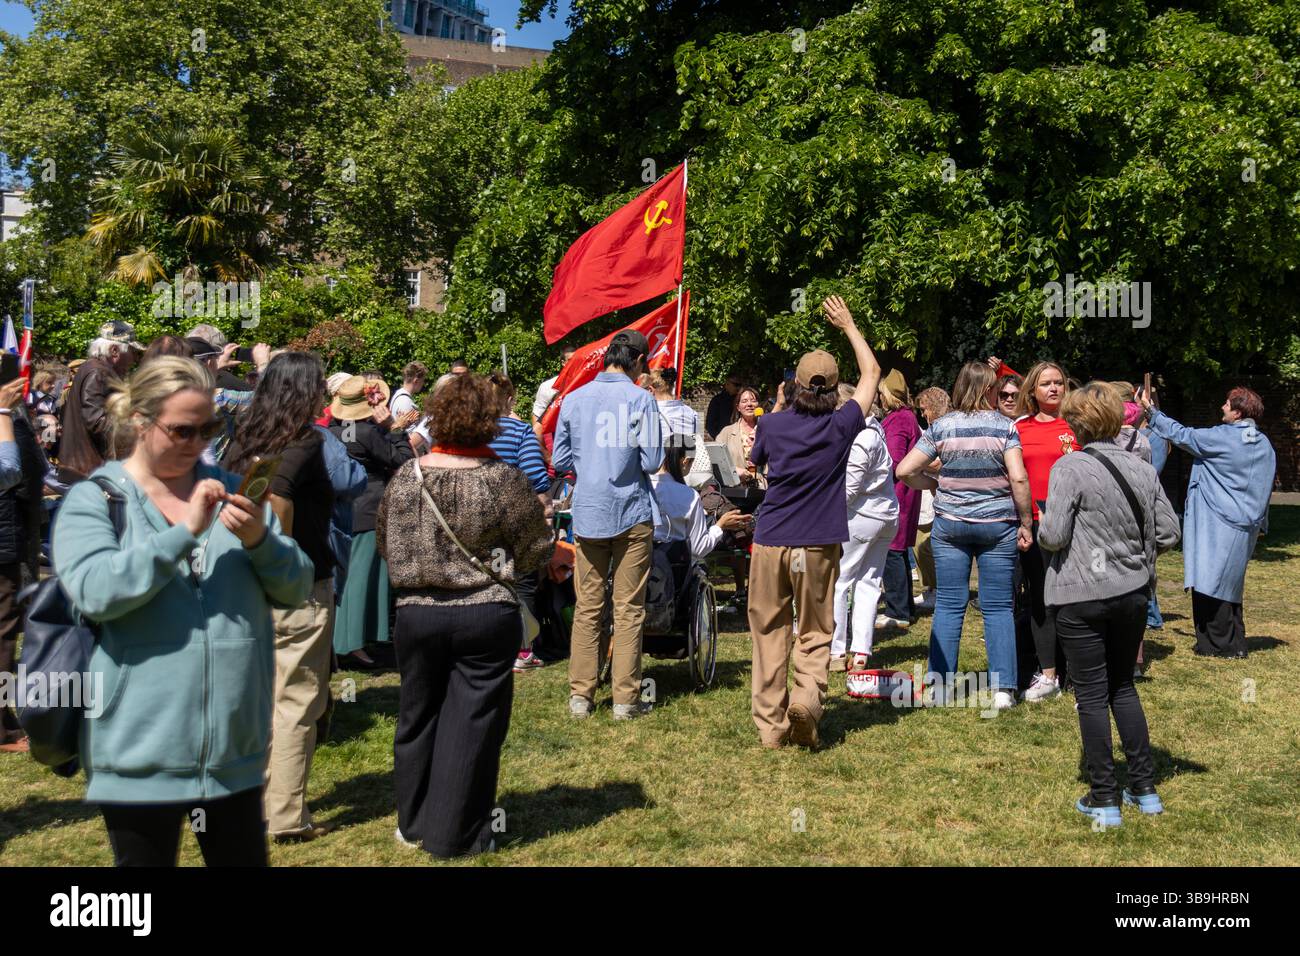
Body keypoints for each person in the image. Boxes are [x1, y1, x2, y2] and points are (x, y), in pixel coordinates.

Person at [52, 356, 313, 865]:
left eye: (208, 428)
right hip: (138, 751)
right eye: (182, 430)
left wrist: (262, 540)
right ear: (139, 423)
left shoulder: (235, 490)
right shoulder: (96, 499)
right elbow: (96, 591)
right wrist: (183, 532)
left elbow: (298, 586)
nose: (197, 442)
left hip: (234, 753)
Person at [377, 374, 552, 857]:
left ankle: (413, 822)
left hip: (416, 613)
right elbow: (534, 548)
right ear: (487, 422)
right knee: (472, 721)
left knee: (417, 714)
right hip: (483, 613)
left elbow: (385, 543)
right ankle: (455, 832)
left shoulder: (406, 476)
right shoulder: (502, 479)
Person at [1038, 382, 1180, 827]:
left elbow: (1054, 536)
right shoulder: (1142, 467)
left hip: (1081, 595)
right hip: (1132, 594)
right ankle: (1144, 787)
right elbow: (1169, 532)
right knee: (1123, 686)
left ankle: (1104, 796)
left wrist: (1043, 524)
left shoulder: (1070, 468)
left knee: (1093, 695)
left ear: (1074, 424)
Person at [746, 295, 881, 749]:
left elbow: (758, 466)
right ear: (833, 387)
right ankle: (805, 698)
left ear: (794, 384)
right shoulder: (842, 425)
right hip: (818, 545)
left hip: (770, 542)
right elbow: (872, 374)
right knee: (815, 630)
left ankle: (771, 727)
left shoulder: (771, 425)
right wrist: (848, 325)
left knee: (769, 630)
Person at [224, 353, 338, 842]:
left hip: (245, 587)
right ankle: (286, 818)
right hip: (294, 589)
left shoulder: (241, 439)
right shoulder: (303, 442)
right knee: (295, 702)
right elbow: (281, 500)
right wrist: (280, 559)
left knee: (256, 703)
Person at [896, 361, 1033, 709]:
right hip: (998, 527)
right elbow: (1018, 478)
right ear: (989, 389)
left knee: (948, 605)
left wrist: (935, 484)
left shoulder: (942, 427)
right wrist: (1026, 521)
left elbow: (905, 469)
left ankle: (940, 687)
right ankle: (1004, 689)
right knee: (999, 606)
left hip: (951, 525)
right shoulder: (1006, 427)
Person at [552, 329, 663, 720]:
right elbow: (652, 462)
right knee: (629, 609)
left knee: (588, 607)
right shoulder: (642, 400)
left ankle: (580, 697)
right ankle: (624, 701)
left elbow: (561, 459)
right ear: (636, 361)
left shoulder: (575, 398)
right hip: (631, 512)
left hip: (589, 513)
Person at [1140, 385, 1276, 658]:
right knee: (1230, 582)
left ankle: (1217, 644)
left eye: (1227, 404)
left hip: (1218, 521)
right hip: (1246, 523)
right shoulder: (1262, 443)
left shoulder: (1224, 437)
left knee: (1210, 580)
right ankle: (1233, 641)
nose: (1222, 408)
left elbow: (1181, 435)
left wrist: (1151, 411)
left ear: (1237, 413)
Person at [328, 376, 417, 659]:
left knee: (347, 576)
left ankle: (346, 642)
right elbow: (404, 461)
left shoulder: (332, 430)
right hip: (367, 510)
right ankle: (350, 645)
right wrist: (394, 428)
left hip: (341, 509)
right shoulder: (367, 434)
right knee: (361, 578)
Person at [1010, 361, 1077, 702]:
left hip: (1077, 524)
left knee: (1077, 599)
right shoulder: (1020, 427)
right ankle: (1048, 673)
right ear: (1033, 391)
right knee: (1041, 598)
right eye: (1046, 384)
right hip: (1035, 522)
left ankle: (1079, 672)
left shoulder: (1079, 424)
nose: (1053, 388)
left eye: (1059, 383)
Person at [486, 371, 553, 672]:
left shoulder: (469, 432)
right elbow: (536, 479)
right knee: (521, 585)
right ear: (510, 400)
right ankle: (523, 650)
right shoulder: (520, 432)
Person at [830, 383, 898, 674]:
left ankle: (835, 649)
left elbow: (849, 489)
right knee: (869, 583)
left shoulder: (862, 438)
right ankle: (861, 652)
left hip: (863, 517)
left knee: (840, 581)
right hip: (884, 515)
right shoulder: (875, 432)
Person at [0, 378, 46, 753]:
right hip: (3, 540)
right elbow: (12, 472)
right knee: (2, 633)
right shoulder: (6, 419)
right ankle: (1, 729)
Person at [58, 321, 145, 480]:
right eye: (133, 352)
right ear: (114, 350)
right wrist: (134, 426)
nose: (134, 359)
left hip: (85, 468)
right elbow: (96, 421)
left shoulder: (94, 369)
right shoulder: (99, 372)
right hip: (89, 470)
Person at [878, 370, 921, 631]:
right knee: (900, 551)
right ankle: (907, 608)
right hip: (905, 491)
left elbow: (893, 459)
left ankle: (897, 611)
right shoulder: (907, 417)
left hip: (896, 492)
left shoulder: (897, 420)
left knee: (892, 550)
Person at [651, 444, 749, 558]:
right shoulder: (689, 496)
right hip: (672, 566)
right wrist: (720, 526)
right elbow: (698, 548)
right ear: (685, 461)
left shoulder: (645, 487)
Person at [912, 386, 950, 610]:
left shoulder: (945, 428)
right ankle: (931, 589)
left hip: (944, 495)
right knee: (921, 546)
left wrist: (917, 460)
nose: (923, 414)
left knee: (927, 547)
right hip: (930, 494)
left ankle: (938, 590)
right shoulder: (931, 429)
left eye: (925, 409)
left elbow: (941, 461)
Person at [715, 385, 767, 491]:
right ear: (738, 407)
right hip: (734, 490)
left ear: (759, 406)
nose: (749, 404)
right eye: (744, 401)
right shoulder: (727, 432)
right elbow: (716, 462)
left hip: (762, 489)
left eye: (753, 401)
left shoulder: (767, 431)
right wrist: (734, 470)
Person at [531, 345, 578, 442]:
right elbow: (537, 417)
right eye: (570, 360)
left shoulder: (587, 384)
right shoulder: (548, 387)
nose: (574, 363)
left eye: (577, 360)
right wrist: (545, 453)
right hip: (557, 443)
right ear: (563, 362)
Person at [650, 367, 698, 448]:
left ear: (650, 390)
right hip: (686, 459)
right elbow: (696, 444)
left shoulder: (649, 414)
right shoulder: (692, 413)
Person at [705, 373, 742, 440]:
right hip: (723, 439)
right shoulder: (717, 401)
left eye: (740, 385)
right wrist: (718, 437)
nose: (738, 388)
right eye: (736, 385)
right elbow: (710, 424)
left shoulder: (742, 400)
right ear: (727, 384)